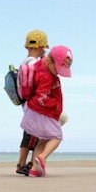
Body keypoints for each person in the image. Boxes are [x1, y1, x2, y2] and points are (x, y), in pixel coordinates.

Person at [20, 45, 73, 177]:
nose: (58, 72)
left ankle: (34, 170)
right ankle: (42, 157)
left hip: (35, 111)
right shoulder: (47, 76)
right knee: (57, 137)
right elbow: (41, 97)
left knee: (43, 140)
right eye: (57, 68)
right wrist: (55, 105)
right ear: (50, 61)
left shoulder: (42, 67)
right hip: (44, 112)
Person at [16, 30, 48, 176]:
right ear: (42, 47)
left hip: (26, 103)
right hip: (36, 104)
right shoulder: (38, 64)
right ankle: (25, 164)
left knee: (28, 134)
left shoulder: (24, 63)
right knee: (38, 135)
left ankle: (25, 163)